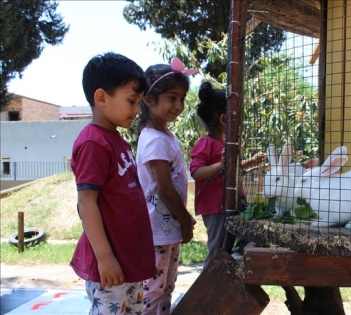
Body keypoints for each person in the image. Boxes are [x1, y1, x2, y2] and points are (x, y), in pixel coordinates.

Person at [70, 52, 156, 315]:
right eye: (131, 101)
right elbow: (86, 203)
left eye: (139, 103)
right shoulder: (93, 142)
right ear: (101, 98)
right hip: (110, 266)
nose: (136, 110)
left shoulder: (117, 139)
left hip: (128, 262)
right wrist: (105, 258)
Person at [135, 57, 196, 314]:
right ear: (149, 99)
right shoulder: (154, 139)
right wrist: (186, 220)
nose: (179, 106)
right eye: (172, 98)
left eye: (182, 98)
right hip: (156, 231)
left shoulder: (166, 135)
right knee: (153, 289)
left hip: (165, 229)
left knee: (166, 286)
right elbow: (165, 189)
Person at [190, 81, 265, 268]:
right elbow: (196, 172)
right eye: (236, 116)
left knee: (246, 239)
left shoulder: (225, 144)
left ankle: (227, 276)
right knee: (217, 250)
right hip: (216, 208)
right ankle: (208, 287)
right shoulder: (205, 143)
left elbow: (230, 168)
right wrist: (220, 165)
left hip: (232, 204)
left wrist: (250, 163)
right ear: (224, 119)